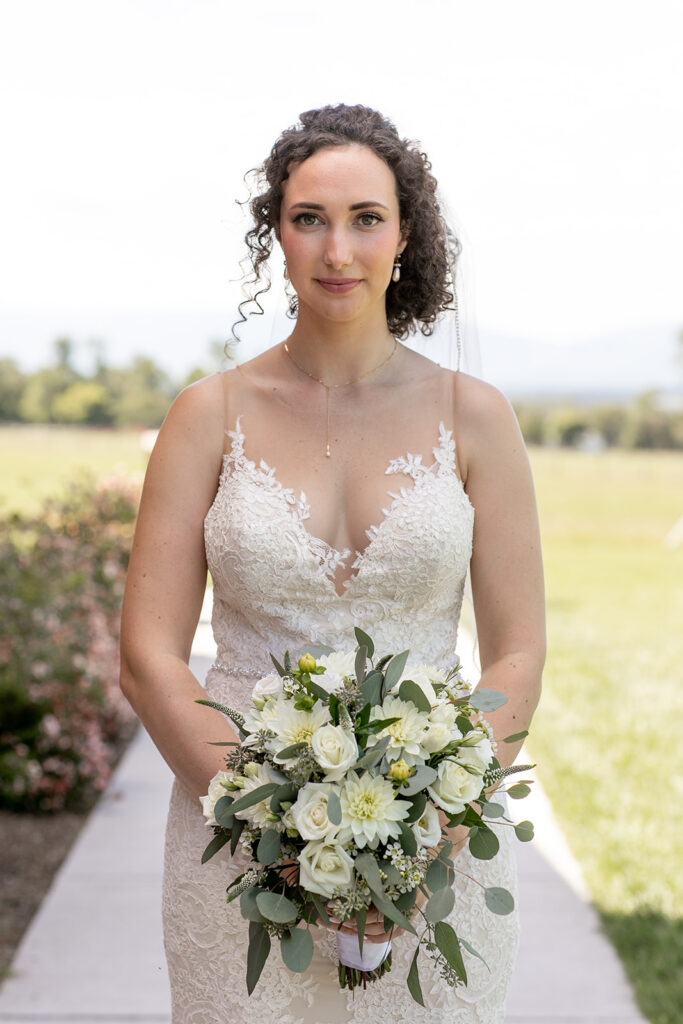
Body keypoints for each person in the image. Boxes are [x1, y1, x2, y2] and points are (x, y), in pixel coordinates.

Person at [120, 103, 545, 1024]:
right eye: (309, 218)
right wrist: (261, 823)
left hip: (434, 860)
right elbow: (147, 657)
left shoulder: (476, 417)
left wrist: (422, 832)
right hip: (231, 850)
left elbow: (516, 655)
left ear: (404, 236)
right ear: (276, 233)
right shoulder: (206, 414)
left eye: (365, 219)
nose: (337, 250)